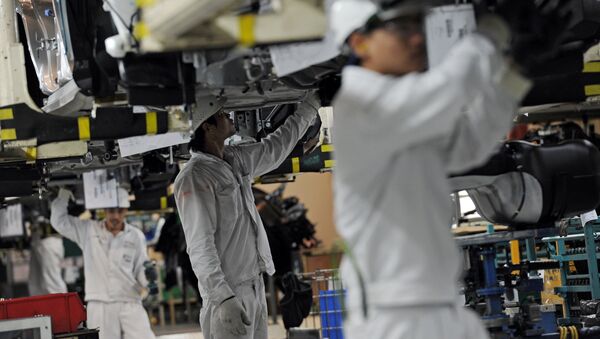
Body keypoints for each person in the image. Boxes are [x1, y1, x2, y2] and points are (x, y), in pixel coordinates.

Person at [329, 0, 534, 338]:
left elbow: (471, 142)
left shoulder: (404, 114)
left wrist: (515, 75)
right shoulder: (360, 106)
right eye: (402, 28)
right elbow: (449, 90)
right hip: (396, 318)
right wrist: (489, 35)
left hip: (441, 306)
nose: (416, 40)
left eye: (418, 27)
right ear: (358, 41)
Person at [174, 95, 319, 338]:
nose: (228, 115)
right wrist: (223, 298)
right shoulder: (194, 177)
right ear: (207, 126)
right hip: (229, 294)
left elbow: (275, 147)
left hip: (254, 286)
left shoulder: (234, 158)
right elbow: (200, 245)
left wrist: (311, 106)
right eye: (221, 114)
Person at [50, 187, 156, 339]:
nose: (115, 216)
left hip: (129, 300)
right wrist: (64, 193)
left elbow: (141, 267)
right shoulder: (89, 230)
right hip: (100, 303)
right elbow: (58, 221)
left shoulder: (135, 236)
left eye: (120, 211)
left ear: (126, 210)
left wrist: (149, 280)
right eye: (112, 211)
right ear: (105, 210)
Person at [28, 219, 68, 296]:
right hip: (36, 237)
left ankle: (63, 307)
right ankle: (39, 308)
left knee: (52, 284)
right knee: (35, 285)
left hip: (50, 238)